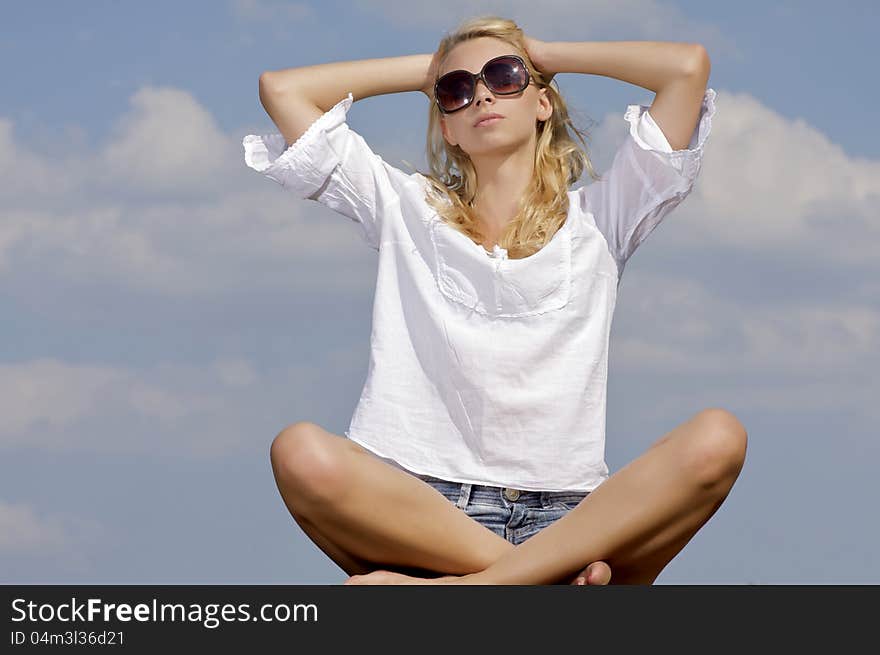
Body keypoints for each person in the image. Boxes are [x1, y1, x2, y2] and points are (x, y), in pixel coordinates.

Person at [243, 15, 746, 585]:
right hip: (424, 513)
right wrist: (433, 70)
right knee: (300, 452)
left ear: (542, 103)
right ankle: (540, 582)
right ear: (447, 127)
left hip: (576, 518)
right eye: (457, 91)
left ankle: (478, 588)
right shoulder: (403, 207)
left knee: (718, 437)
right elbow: (282, 90)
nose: (480, 92)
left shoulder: (604, 216)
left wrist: (542, 52)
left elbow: (685, 69)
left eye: (504, 77)